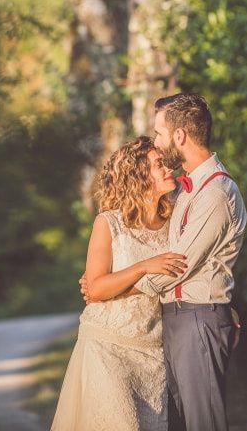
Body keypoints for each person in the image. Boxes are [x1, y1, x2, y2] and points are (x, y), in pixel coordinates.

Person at [82, 93, 247, 431]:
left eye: (159, 133)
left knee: (204, 422)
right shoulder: (183, 192)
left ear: (179, 136)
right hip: (169, 324)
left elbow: (175, 267)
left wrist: (112, 285)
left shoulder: (215, 193)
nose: (157, 140)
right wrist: (107, 282)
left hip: (195, 317)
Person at [51, 136, 188, 431]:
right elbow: (96, 290)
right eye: (158, 165)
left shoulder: (176, 220)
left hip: (153, 350)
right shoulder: (108, 223)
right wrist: (143, 267)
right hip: (107, 345)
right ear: (138, 176)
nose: (168, 170)